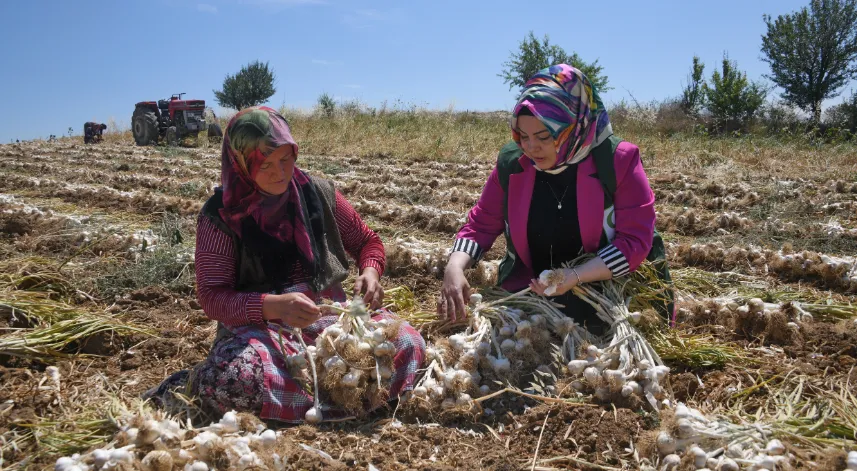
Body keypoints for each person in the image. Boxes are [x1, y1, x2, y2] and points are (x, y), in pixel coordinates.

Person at [144, 106, 425, 422]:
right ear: (241, 162)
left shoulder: (318, 193)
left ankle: (328, 397)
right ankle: (344, 397)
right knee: (233, 380)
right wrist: (273, 307)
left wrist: (371, 271)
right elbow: (212, 297)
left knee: (408, 343)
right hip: (265, 331)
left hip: (331, 321)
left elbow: (366, 242)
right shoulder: (220, 215)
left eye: (285, 159)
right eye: (265, 164)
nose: (280, 172)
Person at [438, 64, 666, 333]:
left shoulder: (617, 161)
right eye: (523, 136)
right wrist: (454, 266)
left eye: (544, 136)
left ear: (573, 128)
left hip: (608, 289)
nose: (531, 147)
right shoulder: (513, 163)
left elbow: (635, 240)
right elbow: (481, 225)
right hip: (534, 287)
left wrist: (575, 275)